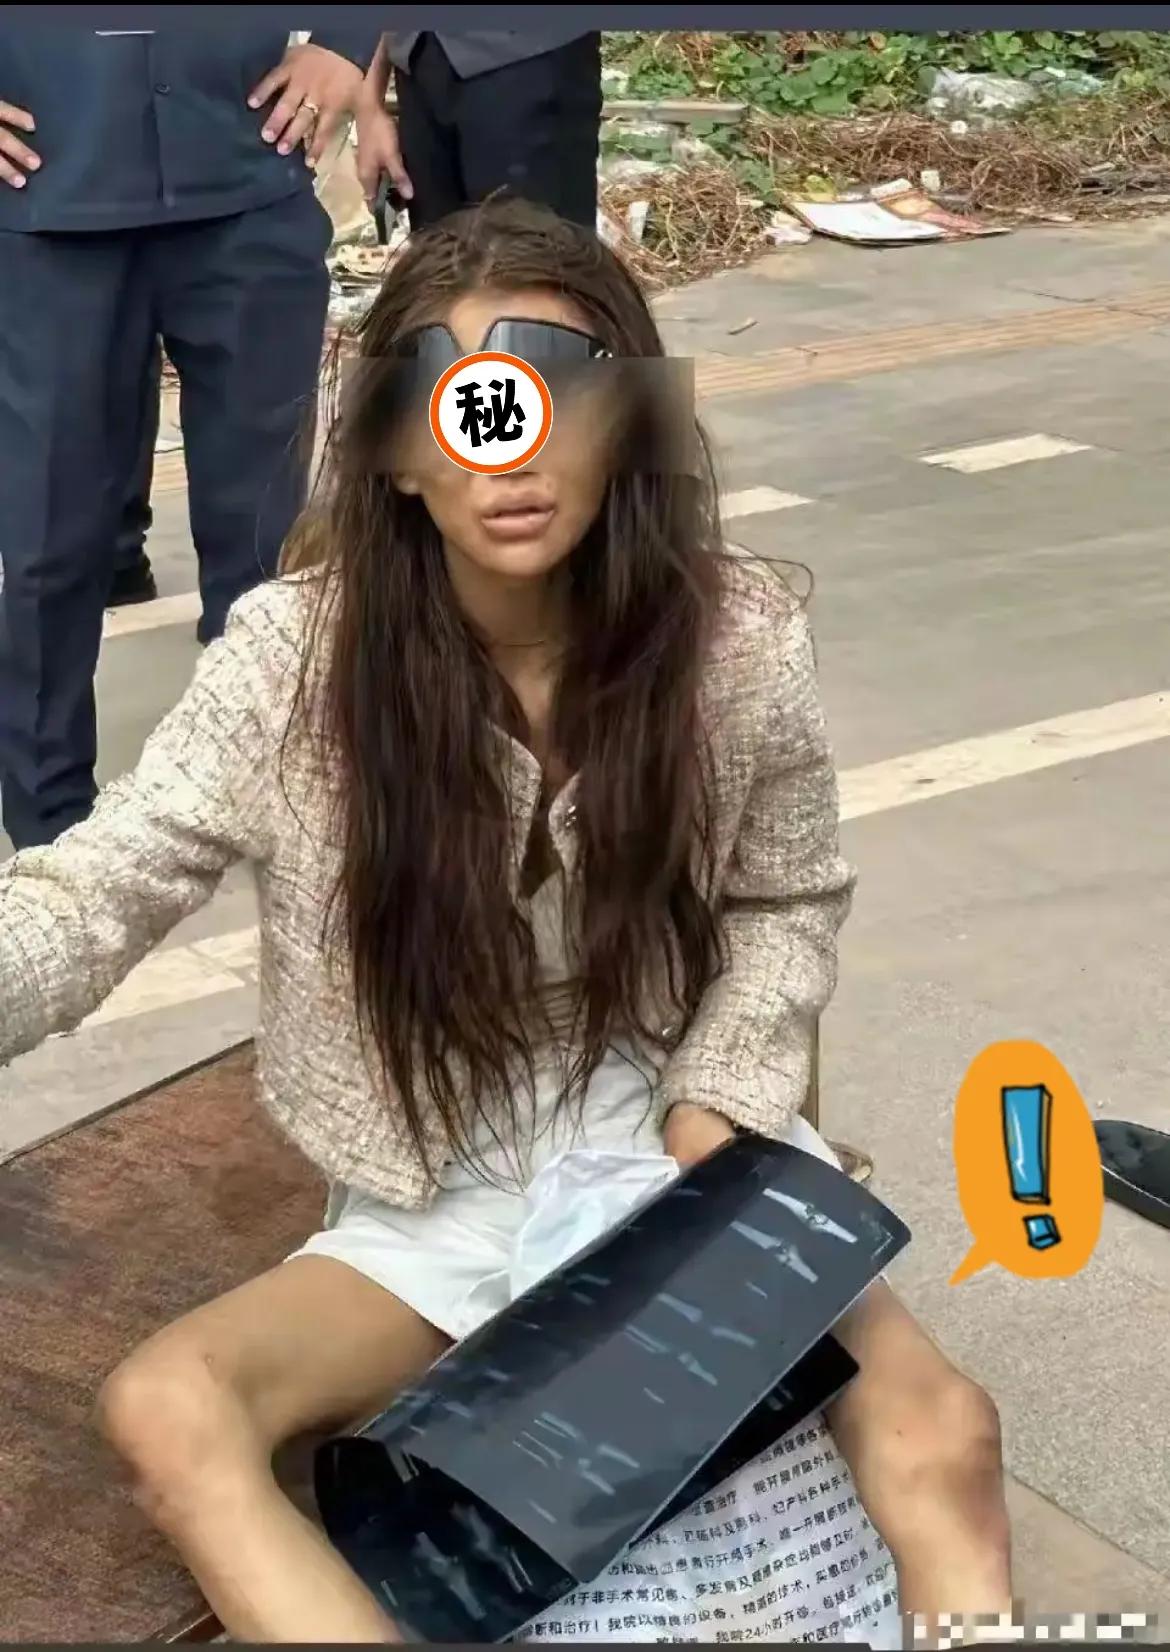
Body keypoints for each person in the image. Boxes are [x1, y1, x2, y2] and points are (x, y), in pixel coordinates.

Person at [0, 203, 1011, 1643]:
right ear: (396, 450)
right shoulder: (292, 665)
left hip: (666, 1126)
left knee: (945, 1433)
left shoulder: (734, 640)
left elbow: (786, 897)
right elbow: (95, 889)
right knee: (172, 1409)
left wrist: (721, 1098)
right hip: (433, 1178)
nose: (506, 442)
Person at [0, 22, 381, 850]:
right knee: (49, 540)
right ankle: (48, 826)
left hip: (244, 179)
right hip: (50, 198)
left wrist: (347, 41)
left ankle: (265, 783)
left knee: (264, 540)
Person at [354, 29, 602, 230]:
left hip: (528, 54)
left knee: (532, 262)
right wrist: (369, 105)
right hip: (417, 56)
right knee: (437, 265)